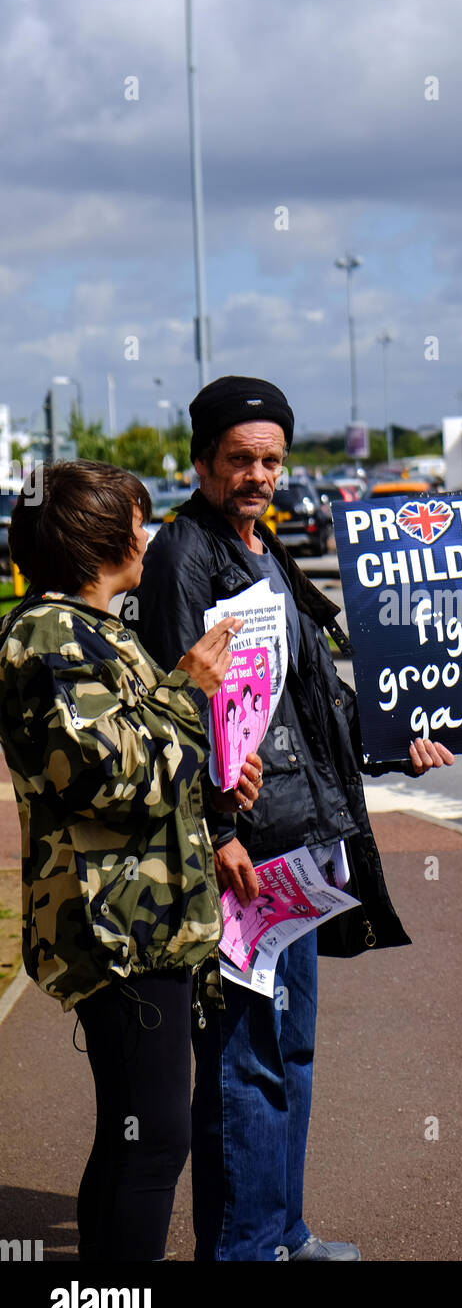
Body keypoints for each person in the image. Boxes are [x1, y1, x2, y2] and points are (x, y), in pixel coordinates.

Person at [131, 375, 455, 1262]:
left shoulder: (263, 551)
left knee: (291, 1050)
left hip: (300, 850)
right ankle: (241, 1249)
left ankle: (283, 1231)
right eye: (242, 460)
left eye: (272, 460)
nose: (261, 475)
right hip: (243, 855)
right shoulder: (182, 559)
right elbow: (176, 708)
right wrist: (220, 831)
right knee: (244, 1059)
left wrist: (397, 740)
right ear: (202, 462)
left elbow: (315, 700)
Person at [0, 459, 262, 1262]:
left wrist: (217, 780)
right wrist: (189, 689)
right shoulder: (49, 635)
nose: (147, 535)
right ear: (98, 537)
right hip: (115, 929)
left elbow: (149, 756)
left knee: (131, 1134)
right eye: (136, 522)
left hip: (137, 919)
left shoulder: (88, 629)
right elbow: (104, 777)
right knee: (152, 1143)